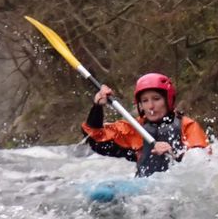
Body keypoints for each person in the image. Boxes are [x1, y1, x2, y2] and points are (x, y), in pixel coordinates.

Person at [81, 72, 209, 177]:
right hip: (144, 189)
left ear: (168, 100)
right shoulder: (134, 128)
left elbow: (203, 164)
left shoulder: (187, 126)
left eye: (156, 99)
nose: (150, 106)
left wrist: (174, 153)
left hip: (177, 188)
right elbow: (95, 137)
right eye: (145, 101)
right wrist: (97, 107)